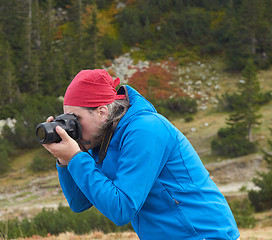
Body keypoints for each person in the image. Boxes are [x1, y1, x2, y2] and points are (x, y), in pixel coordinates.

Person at [42, 69, 240, 240]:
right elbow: (79, 202)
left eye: (76, 119)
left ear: (102, 112)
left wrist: (77, 158)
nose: (72, 127)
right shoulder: (102, 136)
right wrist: (65, 160)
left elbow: (122, 209)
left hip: (202, 234)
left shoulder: (145, 130)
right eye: (66, 118)